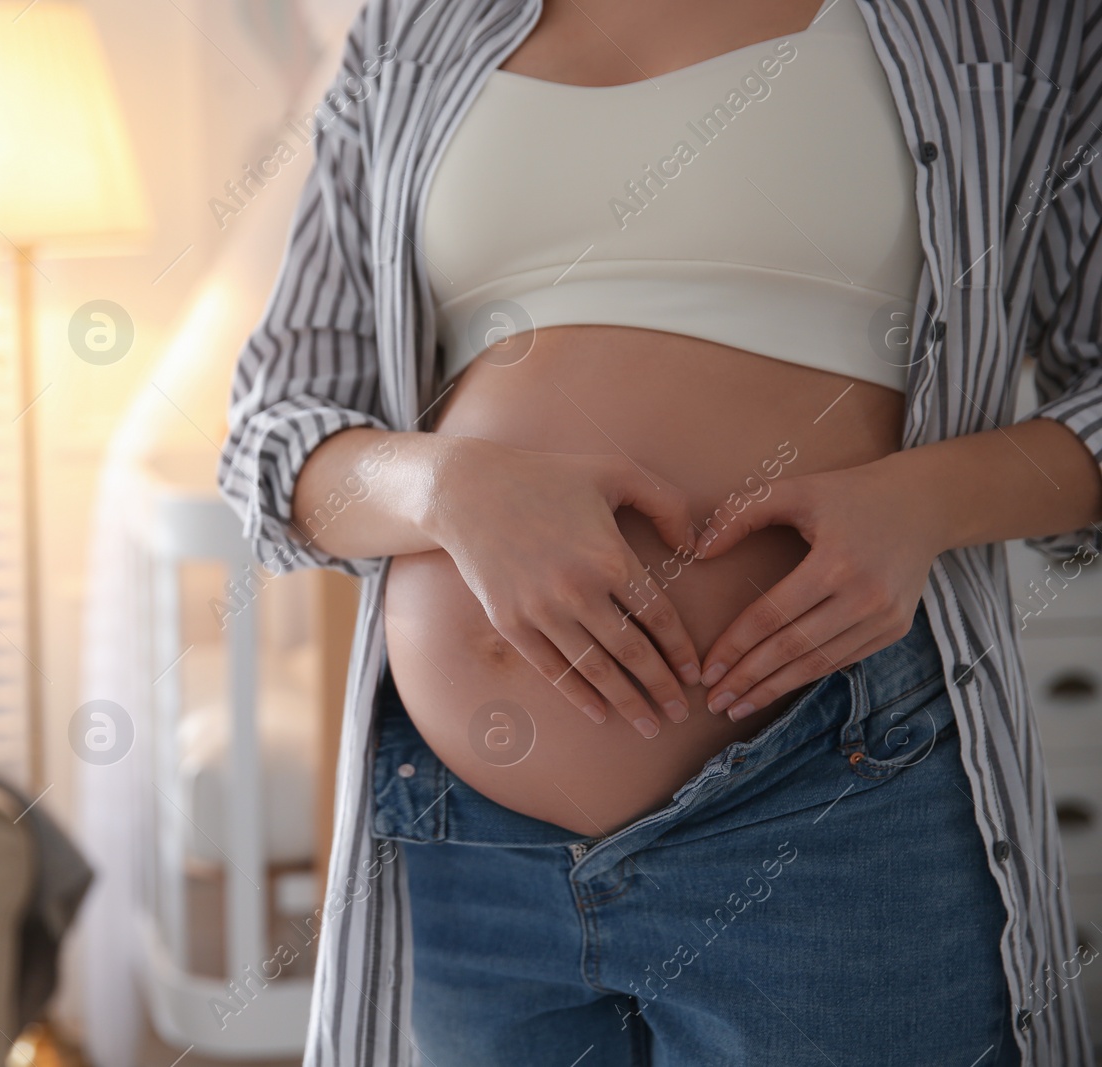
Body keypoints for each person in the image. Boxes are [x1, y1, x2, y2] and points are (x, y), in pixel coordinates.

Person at [216, 0, 1102, 1062]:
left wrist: (927, 502)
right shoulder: (414, 23)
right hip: (468, 847)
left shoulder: (1019, 23)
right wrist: (445, 485)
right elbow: (273, 435)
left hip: (827, 804)